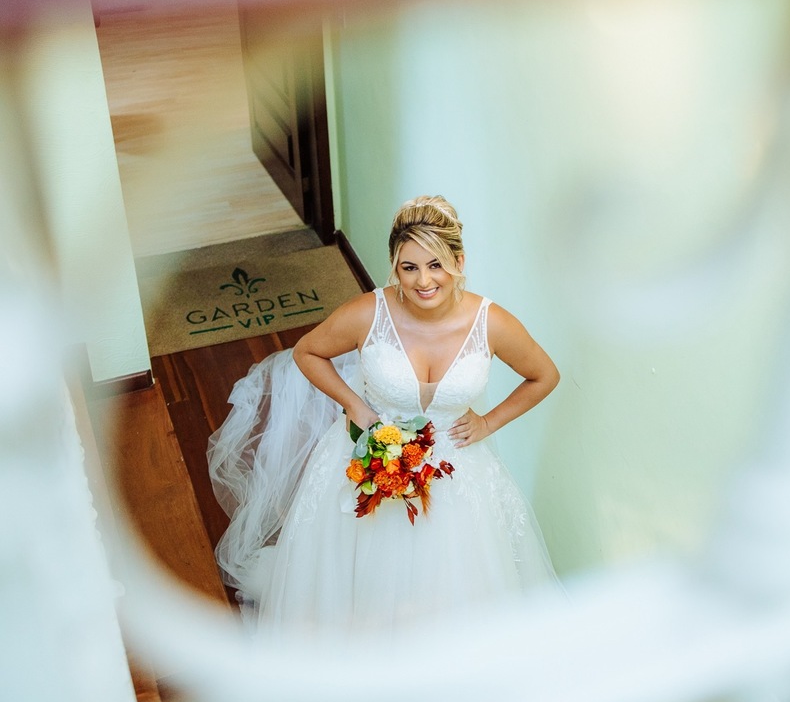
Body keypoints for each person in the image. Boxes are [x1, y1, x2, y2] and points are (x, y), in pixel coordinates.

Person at [208, 196, 560, 642]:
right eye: (408, 267)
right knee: (359, 580)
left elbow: (543, 375)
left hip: (457, 469)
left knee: (455, 587)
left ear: (459, 261)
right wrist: (354, 404)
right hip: (368, 458)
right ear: (394, 266)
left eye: (436, 264)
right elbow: (308, 352)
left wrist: (489, 423)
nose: (423, 280)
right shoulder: (368, 313)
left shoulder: (491, 322)